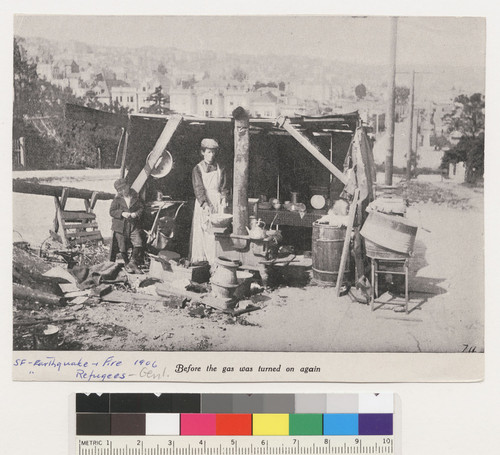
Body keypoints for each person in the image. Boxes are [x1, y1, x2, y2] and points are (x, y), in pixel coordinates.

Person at [190, 138, 229, 265]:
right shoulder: (198, 169)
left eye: (213, 152)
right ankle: (202, 261)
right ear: (202, 152)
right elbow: (198, 188)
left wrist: (223, 198)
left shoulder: (220, 167)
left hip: (217, 201)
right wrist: (205, 204)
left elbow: (224, 186)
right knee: (204, 231)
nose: (211, 155)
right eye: (208, 152)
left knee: (215, 231)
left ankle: (215, 261)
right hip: (204, 203)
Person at [110, 178, 145, 274]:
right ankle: (127, 263)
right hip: (120, 225)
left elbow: (141, 208)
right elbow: (112, 211)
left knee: (138, 242)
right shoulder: (117, 199)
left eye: (124, 188)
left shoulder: (136, 196)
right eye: (119, 190)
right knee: (122, 246)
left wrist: (136, 214)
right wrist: (122, 213)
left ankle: (132, 263)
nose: (122, 191)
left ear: (128, 186)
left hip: (133, 224)